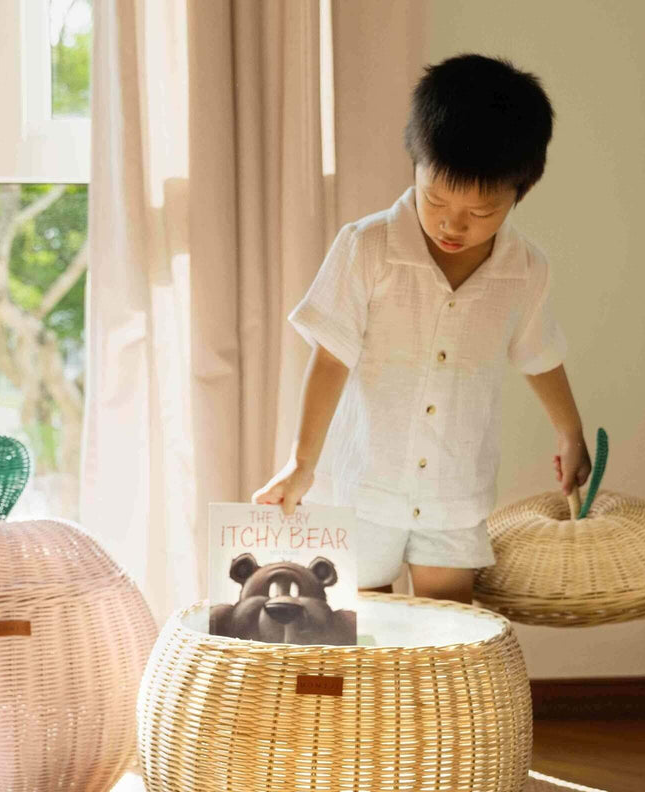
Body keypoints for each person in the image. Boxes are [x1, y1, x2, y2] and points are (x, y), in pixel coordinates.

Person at [253, 53, 592, 608]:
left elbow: (539, 353)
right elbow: (331, 357)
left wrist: (570, 432)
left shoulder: (525, 269)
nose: (452, 224)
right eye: (436, 200)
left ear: (519, 194)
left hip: (454, 494)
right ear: (416, 162)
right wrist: (302, 463)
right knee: (368, 630)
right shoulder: (367, 248)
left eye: (480, 212)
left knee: (448, 631)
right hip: (366, 485)